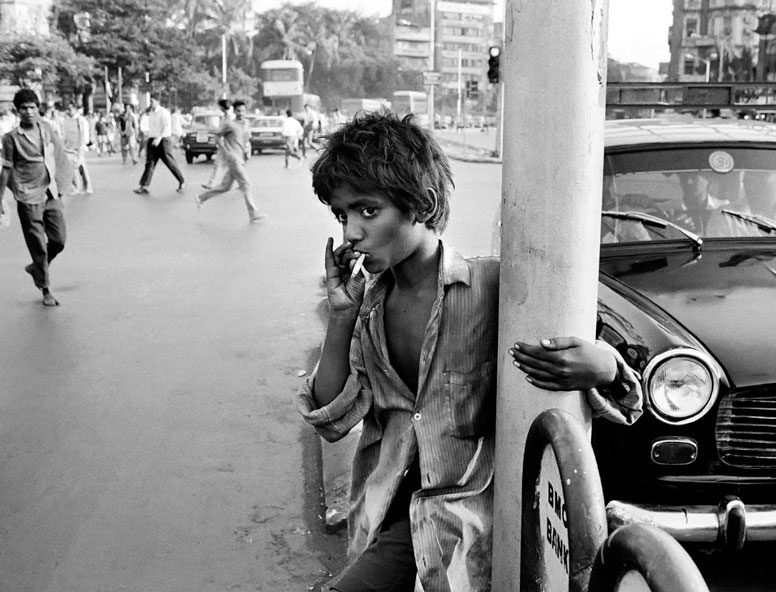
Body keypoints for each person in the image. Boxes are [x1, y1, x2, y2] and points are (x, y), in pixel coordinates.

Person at [296, 112, 642, 592]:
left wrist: (602, 366)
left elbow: (623, 392)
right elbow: (331, 419)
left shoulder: (492, 287)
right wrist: (340, 317)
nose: (351, 231)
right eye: (342, 215)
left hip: (468, 530)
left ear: (422, 203)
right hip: (385, 519)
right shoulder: (368, 308)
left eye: (367, 210)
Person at [0, 89, 73, 307]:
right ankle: (46, 288)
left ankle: (36, 268)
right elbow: (6, 169)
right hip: (27, 194)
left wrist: (63, 186)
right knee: (38, 245)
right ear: (17, 111)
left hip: (49, 191)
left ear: (38, 108)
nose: (29, 112)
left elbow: (58, 155)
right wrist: (0, 197)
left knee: (58, 240)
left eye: (32, 107)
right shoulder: (10, 138)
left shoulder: (47, 129)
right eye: (24, 108)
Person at [195, 99, 265, 222]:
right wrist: (224, 150)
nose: (241, 113)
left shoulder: (247, 123)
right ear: (235, 111)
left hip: (241, 157)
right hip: (234, 158)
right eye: (238, 111)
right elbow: (217, 134)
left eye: (243, 110)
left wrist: (248, 149)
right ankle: (253, 213)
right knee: (247, 184)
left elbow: (247, 138)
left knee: (225, 186)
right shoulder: (229, 124)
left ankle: (201, 198)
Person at [134, 96, 185, 194]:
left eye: (152, 101)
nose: (151, 103)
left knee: (170, 162)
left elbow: (166, 127)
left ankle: (181, 181)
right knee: (150, 163)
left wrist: (159, 138)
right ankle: (144, 185)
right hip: (152, 139)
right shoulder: (150, 113)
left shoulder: (164, 112)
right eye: (150, 101)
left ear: (157, 101)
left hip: (163, 140)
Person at [59, 101, 92, 194]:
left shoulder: (80, 120)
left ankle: (86, 186)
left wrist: (83, 146)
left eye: (70, 109)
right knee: (70, 167)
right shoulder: (66, 121)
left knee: (81, 166)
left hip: (79, 147)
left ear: (76, 109)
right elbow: (64, 134)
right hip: (69, 148)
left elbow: (84, 135)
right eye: (68, 109)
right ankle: (75, 187)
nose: (68, 111)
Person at [202, 99, 231, 189]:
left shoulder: (230, 117)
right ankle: (212, 182)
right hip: (223, 144)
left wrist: (213, 130)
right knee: (219, 164)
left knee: (229, 165)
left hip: (229, 144)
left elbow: (223, 130)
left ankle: (216, 182)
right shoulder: (225, 116)